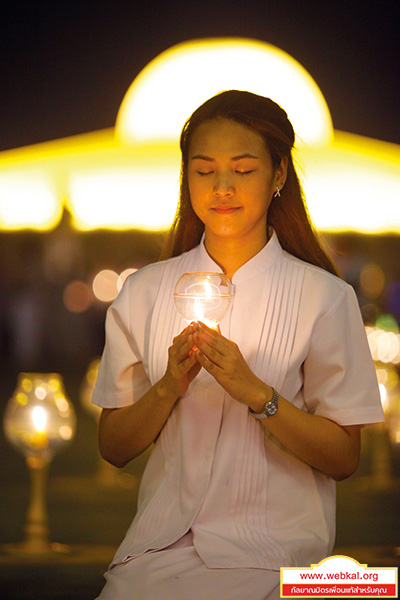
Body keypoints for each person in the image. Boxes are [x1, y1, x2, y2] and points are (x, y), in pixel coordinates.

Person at [92, 90, 384, 600]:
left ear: (277, 176)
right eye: (204, 171)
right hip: (157, 551)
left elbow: (344, 458)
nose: (222, 187)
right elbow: (113, 447)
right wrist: (167, 388)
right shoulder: (144, 292)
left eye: (243, 169)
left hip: (278, 557)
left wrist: (256, 393)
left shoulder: (324, 297)